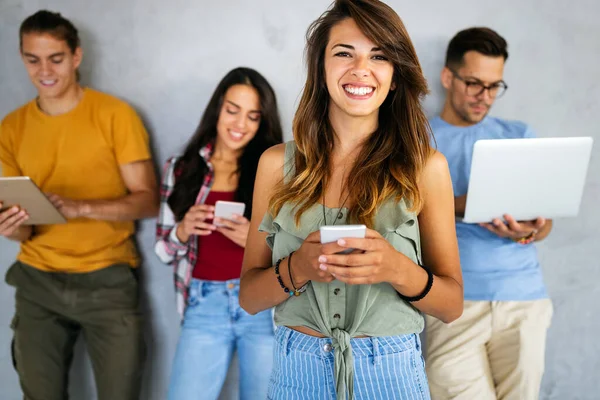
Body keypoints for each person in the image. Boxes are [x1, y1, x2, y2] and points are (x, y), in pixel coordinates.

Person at [239, 1, 463, 399]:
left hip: (391, 372)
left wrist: (397, 269)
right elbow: (249, 297)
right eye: (344, 53)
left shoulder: (427, 169)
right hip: (296, 371)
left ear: (394, 76)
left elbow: (451, 305)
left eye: (379, 56)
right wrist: (298, 267)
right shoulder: (275, 165)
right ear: (321, 68)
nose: (361, 69)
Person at [0, 10, 158, 400]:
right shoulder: (10, 128)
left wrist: (80, 207)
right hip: (37, 280)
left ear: (76, 57)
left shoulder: (115, 115)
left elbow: (148, 201)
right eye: (32, 59)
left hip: (109, 279)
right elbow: (21, 226)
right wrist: (9, 226)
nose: (44, 70)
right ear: (22, 57)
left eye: (55, 58)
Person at [425, 27, 554, 400]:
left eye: (495, 86)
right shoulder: (418, 137)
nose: (485, 96)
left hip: (524, 298)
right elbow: (403, 209)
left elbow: (543, 224)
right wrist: (472, 202)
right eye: (474, 83)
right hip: (453, 301)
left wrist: (526, 231)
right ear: (448, 77)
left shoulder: (518, 134)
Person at [154, 67, 283, 400]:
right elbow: (163, 252)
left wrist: (255, 241)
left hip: (261, 305)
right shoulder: (180, 169)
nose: (240, 125)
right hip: (203, 302)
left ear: (262, 123)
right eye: (232, 111)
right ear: (217, 109)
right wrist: (183, 230)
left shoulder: (274, 172)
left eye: (253, 116)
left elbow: (295, 254)